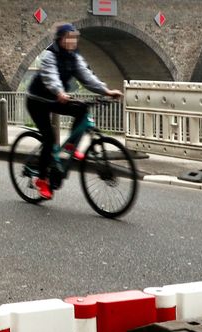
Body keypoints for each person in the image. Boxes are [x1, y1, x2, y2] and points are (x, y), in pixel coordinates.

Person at [26, 23, 123, 200]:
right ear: (61, 39)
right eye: (69, 38)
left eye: (75, 38)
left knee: (81, 110)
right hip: (37, 101)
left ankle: (70, 146)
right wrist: (59, 91)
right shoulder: (50, 55)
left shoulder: (74, 57)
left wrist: (106, 91)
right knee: (49, 138)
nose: (73, 41)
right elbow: (50, 76)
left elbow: (87, 77)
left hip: (55, 99)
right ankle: (40, 180)